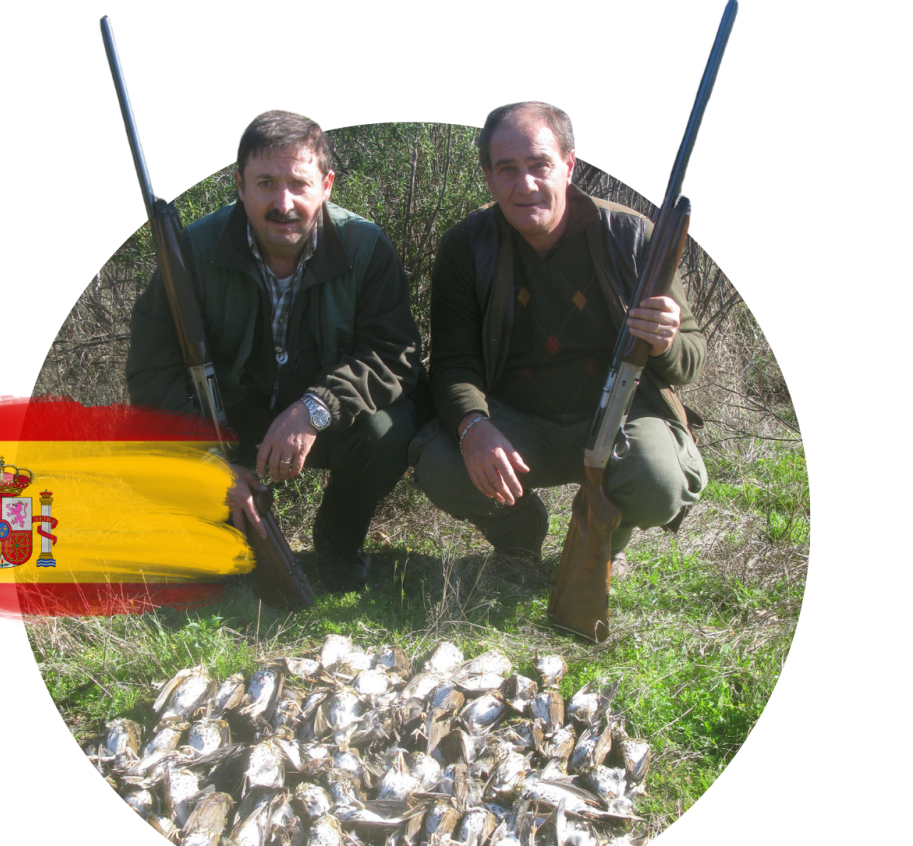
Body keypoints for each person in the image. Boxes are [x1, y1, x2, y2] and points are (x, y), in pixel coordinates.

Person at [127, 110, 425, 592]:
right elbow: (152, 373)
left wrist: (314, 408)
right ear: (240, 185)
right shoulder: (188, 252)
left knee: (390, 429)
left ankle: (338, 545)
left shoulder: (366, 247)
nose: (283, 204)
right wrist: (208, 462)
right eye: (266, 183)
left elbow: (394, 355)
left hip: (322, 423)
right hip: (227, 425)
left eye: (299, 184)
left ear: (326, 186)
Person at [410, 101, 707, 577]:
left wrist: (665, 342)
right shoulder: (465, 245)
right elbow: (452, 363)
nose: (525, 184)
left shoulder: (632, 235)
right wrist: (473, 427)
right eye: (507, 169)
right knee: (440, 463)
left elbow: (691, 358)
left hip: (617, 417)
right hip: (518, 421)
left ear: (568, 165)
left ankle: (602, 539)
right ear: (488, 177)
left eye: (540, 165)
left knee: (658, 480)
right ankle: (519, 534)